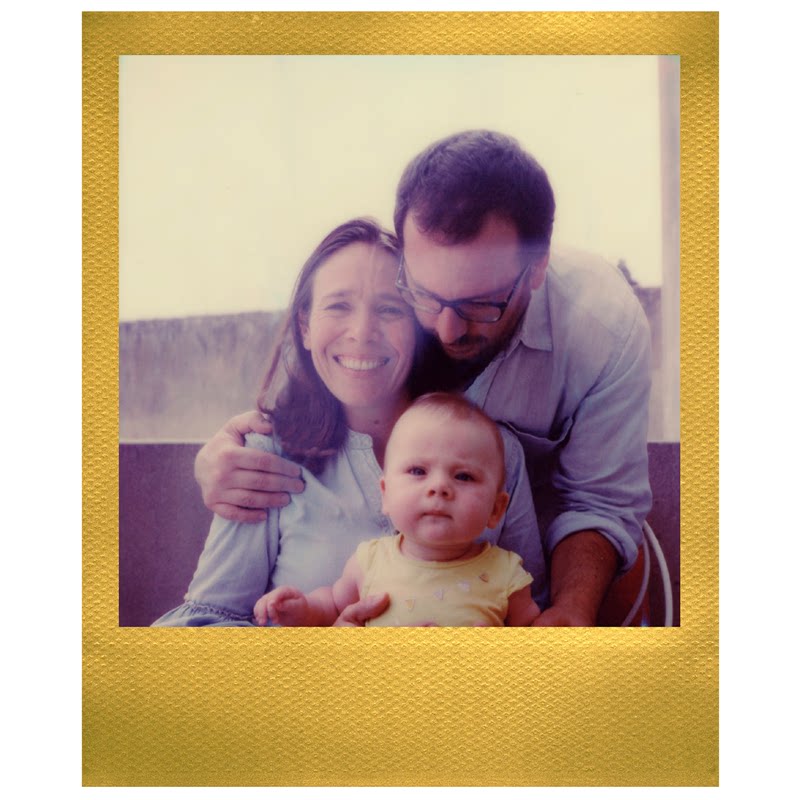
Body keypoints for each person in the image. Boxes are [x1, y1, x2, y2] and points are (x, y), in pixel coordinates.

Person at [194, 130, 653, 627]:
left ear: (537, 267)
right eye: (425, 296)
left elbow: (599, 502)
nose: (447, 330)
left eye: (481, 304)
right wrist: (216, 456)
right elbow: (319, 371)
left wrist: (567, 618)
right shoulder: (374, 294)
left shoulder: (601, 328)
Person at [152, 218, 546, 627]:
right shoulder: (266, 456)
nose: (362, 332)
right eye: (338, 305)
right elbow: (198, 628)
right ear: (305, 326)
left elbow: (535, 625)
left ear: (419, 329)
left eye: (389, 309)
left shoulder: (497, 454)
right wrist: (327, 652)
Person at [254, 393, 542, 627]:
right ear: (386, 494)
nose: (439, 487)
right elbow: (332, 605)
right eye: (418, 471)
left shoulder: (506, 575)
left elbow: (534, 648)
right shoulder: (370, 561)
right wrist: (302, 610)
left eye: (463, 476)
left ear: (496, 509)